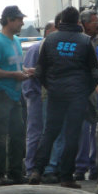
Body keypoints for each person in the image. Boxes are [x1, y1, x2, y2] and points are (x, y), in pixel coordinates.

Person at [28, 6, 98, 189]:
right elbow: (95, 73)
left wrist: (50, 86)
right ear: (77, 22)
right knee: (72, 135)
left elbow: (39, 70)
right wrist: (85, 91)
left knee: (50, 132)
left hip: (55, 94)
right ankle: (67, 177)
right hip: (77, 96)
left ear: (61, 22)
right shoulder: (85, 41)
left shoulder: (50, 39)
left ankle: (37, 170)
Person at [0, 5, 34, 186]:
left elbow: (13, 64)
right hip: (0, 93)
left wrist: (25, 70)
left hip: (15, 94)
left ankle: (15, 173)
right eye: (19, 19)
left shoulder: (15, 41)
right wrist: (13, 75)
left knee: (17, 134)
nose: (22, 23)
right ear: (9, 20)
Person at [22, 14, 64, 184]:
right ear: (48, 32)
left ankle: (47, 168)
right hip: (36, 96)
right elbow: (28, 72)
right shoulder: (35, 49)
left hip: (50, 97)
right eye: (56, 30)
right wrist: (32, 94)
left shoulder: (55, 48)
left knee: (50, 133)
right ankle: (31, 167)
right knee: (35, 133)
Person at [74, 9, 98, 181]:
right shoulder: (81, 41)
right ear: (85, 24)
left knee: (96, 129)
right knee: (82, 130)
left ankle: (94, 167)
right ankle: (80, 167)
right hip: (82, 91)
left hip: (97, 90)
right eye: (95, 22)